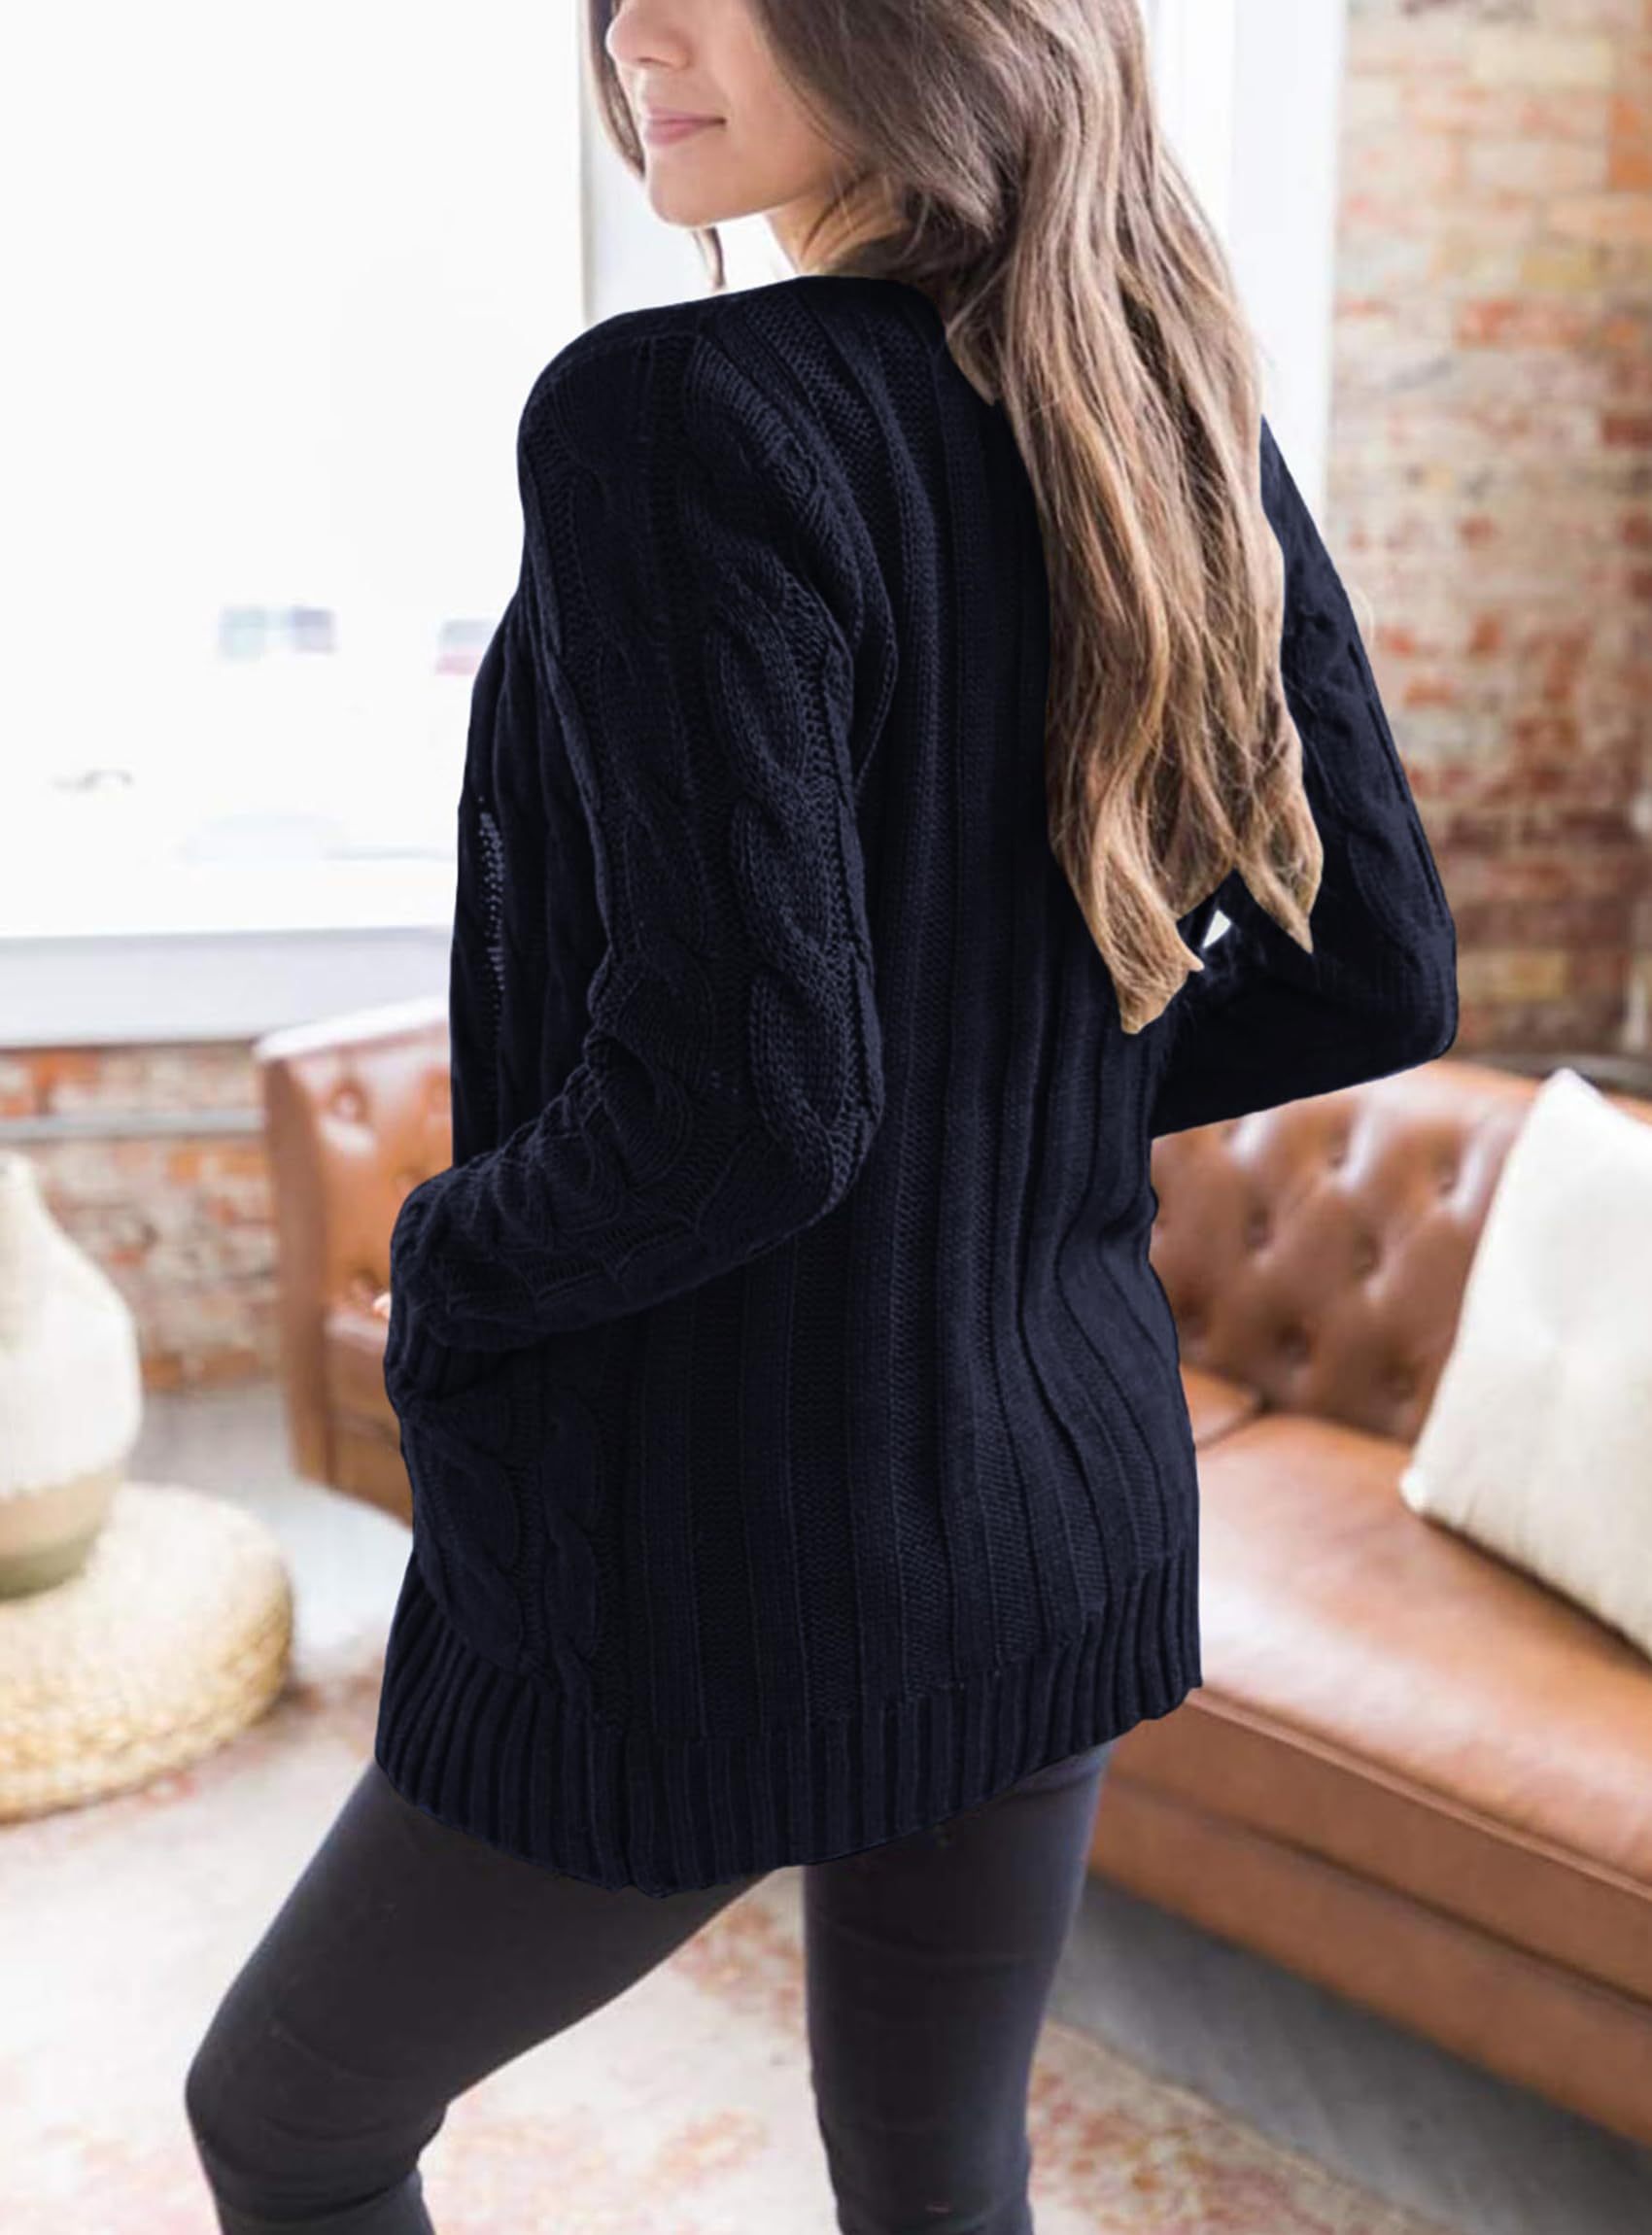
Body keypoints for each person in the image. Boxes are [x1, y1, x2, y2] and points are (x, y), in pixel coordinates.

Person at [186, 0, 1459, 2228]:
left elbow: (751, 1105)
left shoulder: (674, 412)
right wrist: (1019, 1102)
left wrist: (452, 1256)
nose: (633, 30)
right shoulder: (1161, 400)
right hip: (1056, 1503)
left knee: (285, 2119)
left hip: (715, 1560)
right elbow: (1373, 966)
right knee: (937, 2174)